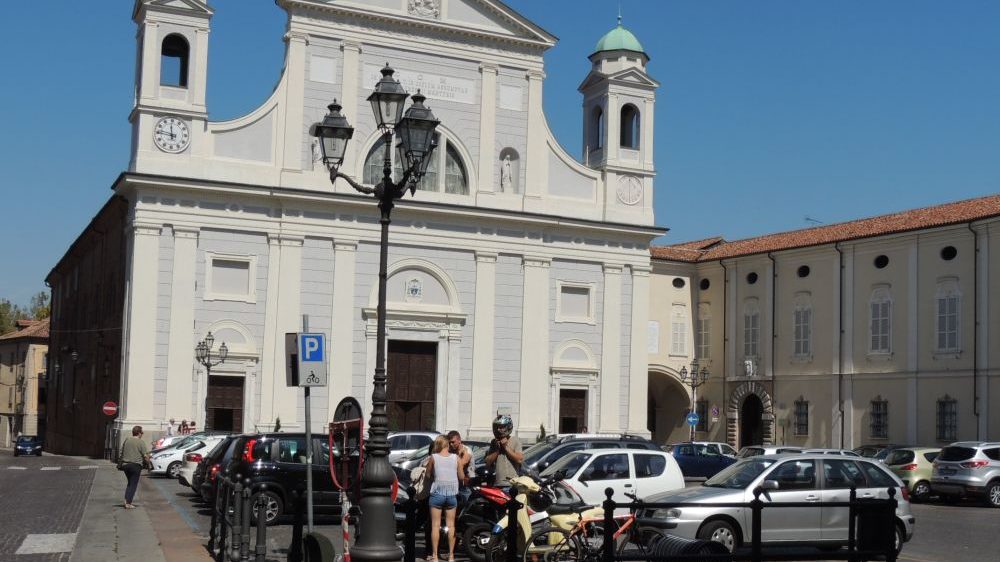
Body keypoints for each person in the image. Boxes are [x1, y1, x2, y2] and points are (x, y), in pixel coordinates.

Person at [426, 435, 461, 562]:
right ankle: (451, 556)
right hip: (452, 495)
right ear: (447, 445)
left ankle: (435, 556)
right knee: (451, 526)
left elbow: (428, 475)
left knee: (435, 525)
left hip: (437, 494)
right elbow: (461, 476)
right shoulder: (456, 458)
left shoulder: (433, 457)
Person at [484, 414, 524, 486]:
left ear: (508, 427)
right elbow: (488, 462)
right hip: (497, 483)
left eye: (501, 427)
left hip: (512, 483)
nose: (498, 429)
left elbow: (519, 459)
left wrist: (505, 447)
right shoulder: (494, 442)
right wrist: (497, 450)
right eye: (497, 427)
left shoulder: (515, 440)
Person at [119, 425, 150, 509]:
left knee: (130, 483)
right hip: (135, 466)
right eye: (142, 433)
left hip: (125, 465)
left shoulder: (127, 440)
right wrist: (149, 463)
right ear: (139, 433)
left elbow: (121, 451)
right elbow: (145, 456)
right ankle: (128, 503)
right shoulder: (141, 442)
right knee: (133, 484)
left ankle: (126, 500)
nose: (142, 434)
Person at [447, 430, 474, 505]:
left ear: (459, 440)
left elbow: (460, 466)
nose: (451, 444)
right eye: (449, 443)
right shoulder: (451, 451)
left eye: (453, 442)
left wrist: (458, 456)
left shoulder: (467, 451)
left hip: (466, 485)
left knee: (465, 507)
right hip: (454, 485)